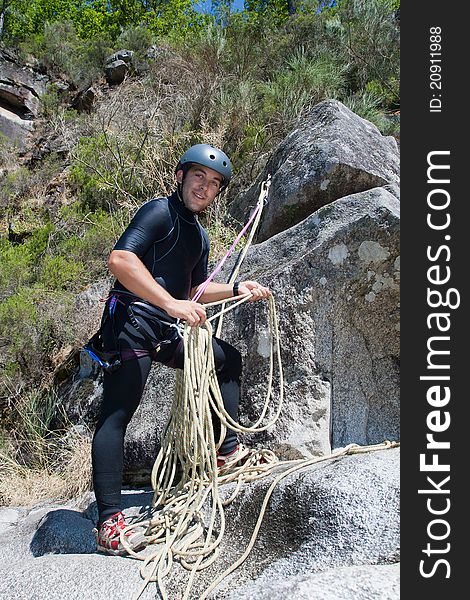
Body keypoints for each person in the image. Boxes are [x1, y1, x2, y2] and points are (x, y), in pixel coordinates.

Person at [90, 144, 271, 555]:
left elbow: (194, 291)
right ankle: (109, 522)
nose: (205, 188)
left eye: (214, 184)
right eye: (198, 177)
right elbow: (120, 260)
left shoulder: (199, 234)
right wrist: (170, 304)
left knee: (227, 359)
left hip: (161, 328)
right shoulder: (159, 212)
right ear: (181, 176)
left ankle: (224, 452)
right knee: (117, 414)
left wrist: (239, 288)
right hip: (132, 324)